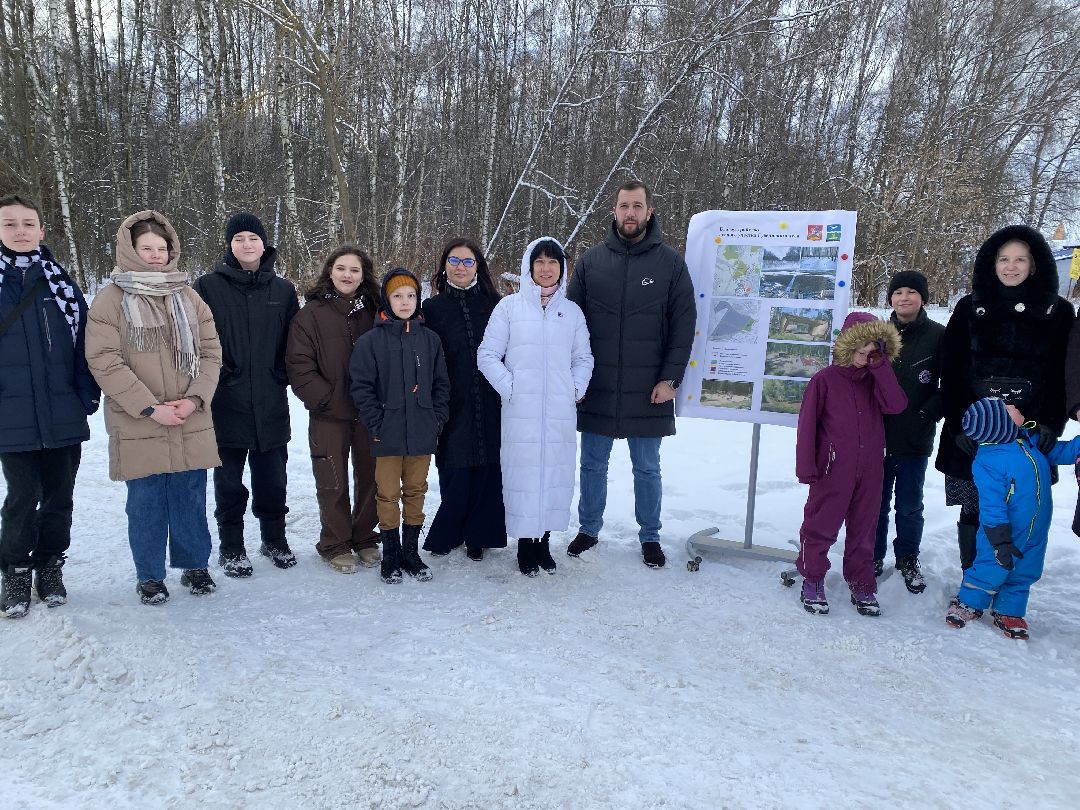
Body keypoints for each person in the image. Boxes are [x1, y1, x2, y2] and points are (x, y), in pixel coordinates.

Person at [85, 210, 222, 604]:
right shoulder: (110, 300)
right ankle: (149, 575)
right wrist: (149, 408)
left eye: (161, 248)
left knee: (190, 497)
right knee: (145, 503)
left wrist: (195, 398)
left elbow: (211, 352)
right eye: (146, 248)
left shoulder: (188, 296)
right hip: (139, 420)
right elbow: (104, 360)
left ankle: (196, 566)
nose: (156, 255)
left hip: (188, 416)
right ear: (130, 251)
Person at [565, 180, 696, 568]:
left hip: (647, 387)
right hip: (598, 385)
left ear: (649, 212)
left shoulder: (670, 263)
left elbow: (683, 324)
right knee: (592, 464)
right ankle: (588, 529)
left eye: (637, 205)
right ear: (614, 212)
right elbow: (571, 324)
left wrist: (670, 378)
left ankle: (650, 536)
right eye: (624, 206)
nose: (630, 213)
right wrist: (577, 379)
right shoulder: (591, 262)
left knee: (647, 467)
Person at [935, 225, 1073, 572]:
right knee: (976, 505)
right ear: (991, 263)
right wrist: (958, 426)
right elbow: (951, 372)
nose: (1011, 266)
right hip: (973, 432)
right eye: (1003, 259)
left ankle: (1008, 580)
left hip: (1029, 432)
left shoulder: (1058, 312)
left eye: (1020, 260)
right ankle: (974, 575)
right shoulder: (969, 308)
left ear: (1035, 264)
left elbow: (1061, 376)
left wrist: (1050, 425)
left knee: (1020, 508)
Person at [0, 194, 99, 618]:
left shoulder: (62, 285)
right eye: (9, 224)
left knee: (60, 496)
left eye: (28, 223)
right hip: (11, 415)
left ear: (42, 231)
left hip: (62, 413)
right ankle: (17, 570)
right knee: (22, 496)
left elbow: (85, 346)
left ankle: (50, 565)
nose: (20, 230)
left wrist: (85, 393)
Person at [193, 212, 300, 577]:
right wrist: (221, 377)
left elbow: (294, 344)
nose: (247, 245)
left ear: (263, 243)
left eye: (253, 238)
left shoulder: (283, 291)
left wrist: (278, 375)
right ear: (229, 245)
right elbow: (197, 343)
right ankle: (232, 545)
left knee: (273, 478)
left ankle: (274, 539)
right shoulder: (206, 288)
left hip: (270, 400)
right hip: (226, 400)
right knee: (229, 481)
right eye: (239, 238)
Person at [478, 238, 593, 576]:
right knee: (524, 475)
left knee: (553, 474)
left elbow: (583, 357)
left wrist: (574, 387)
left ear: (562, 268)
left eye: (553, 262)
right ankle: (526, 546)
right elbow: (487, 355)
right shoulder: (510, 308)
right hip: (521, 411)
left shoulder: (570, 312)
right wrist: (510, 388)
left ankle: (544, 542)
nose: (546, 269)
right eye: (539, 261)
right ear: (529, 266)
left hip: (558, 411)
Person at [795, 312, 907, 617]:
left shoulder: (876, 380)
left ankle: (861, 581)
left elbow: (897, 405)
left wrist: (881, 369)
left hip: (871, 469)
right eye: (860, 347)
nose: (866, 353)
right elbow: (807, 427)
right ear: (846, 345)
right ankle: (813, 578)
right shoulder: (825, 381)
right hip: (832, 470)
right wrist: (807, 467)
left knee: (864, 529)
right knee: (821, 525)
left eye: (873, 348)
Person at [945, 398, 1080, 640]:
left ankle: (1009, 610)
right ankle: (969, 602)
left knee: (1025, 570)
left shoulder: (1032, 440)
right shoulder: (988, 461)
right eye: (1010, 409)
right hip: (1003, 531)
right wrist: (999, 538)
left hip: (1037, 526)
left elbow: (1065, 452)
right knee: (991, 566)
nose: (1016, 407)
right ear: (1000, 423)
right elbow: (991, 504)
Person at [285, 246, 382, 574]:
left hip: (370, 413)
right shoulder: (310, 314)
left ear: (363, 275)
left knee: (371, 477)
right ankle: (335, 543)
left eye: (354, 270)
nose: (347, 275)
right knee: (332, 480)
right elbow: (299, 364)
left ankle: (366, 537)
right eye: (341, 268)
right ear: (330, 271)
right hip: (329, 413)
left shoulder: (376, 310)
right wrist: (324, 398)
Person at [350, 268, 449, 584]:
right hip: (387, 432)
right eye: (397, 296)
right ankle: (390, 553)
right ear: (386, 299)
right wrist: (376, 423)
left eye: (410, 295)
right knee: (388, 492)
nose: (405, 302)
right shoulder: (371, 342)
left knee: (417, 490)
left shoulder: (430, 339)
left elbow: (441, 385)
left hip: (422, 431)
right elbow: (361, 387)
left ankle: (410, 551)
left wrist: (436, 419)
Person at [420, 238, 507, 560]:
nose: (460, 267)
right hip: (450, 399)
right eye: (454, 261)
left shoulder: (496, 304)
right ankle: (452, 530)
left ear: (478, 267)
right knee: (455, 465)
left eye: (468, 261)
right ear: (444, 266)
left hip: (491, 397)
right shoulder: (431, 308)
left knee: (487, 464)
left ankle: (479, 535)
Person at [874, 271, 944, 593]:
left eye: (911, 292)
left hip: (915, 438)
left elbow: (951, 385)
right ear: (890, 298)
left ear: (923, 298)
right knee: (874, 502)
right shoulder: (877, 335)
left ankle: (907, 558)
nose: (904, 297)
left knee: (909, 504)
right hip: (877, 436)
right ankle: (871, 556)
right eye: (898, 291)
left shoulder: (938, 336)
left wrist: (928, 413)